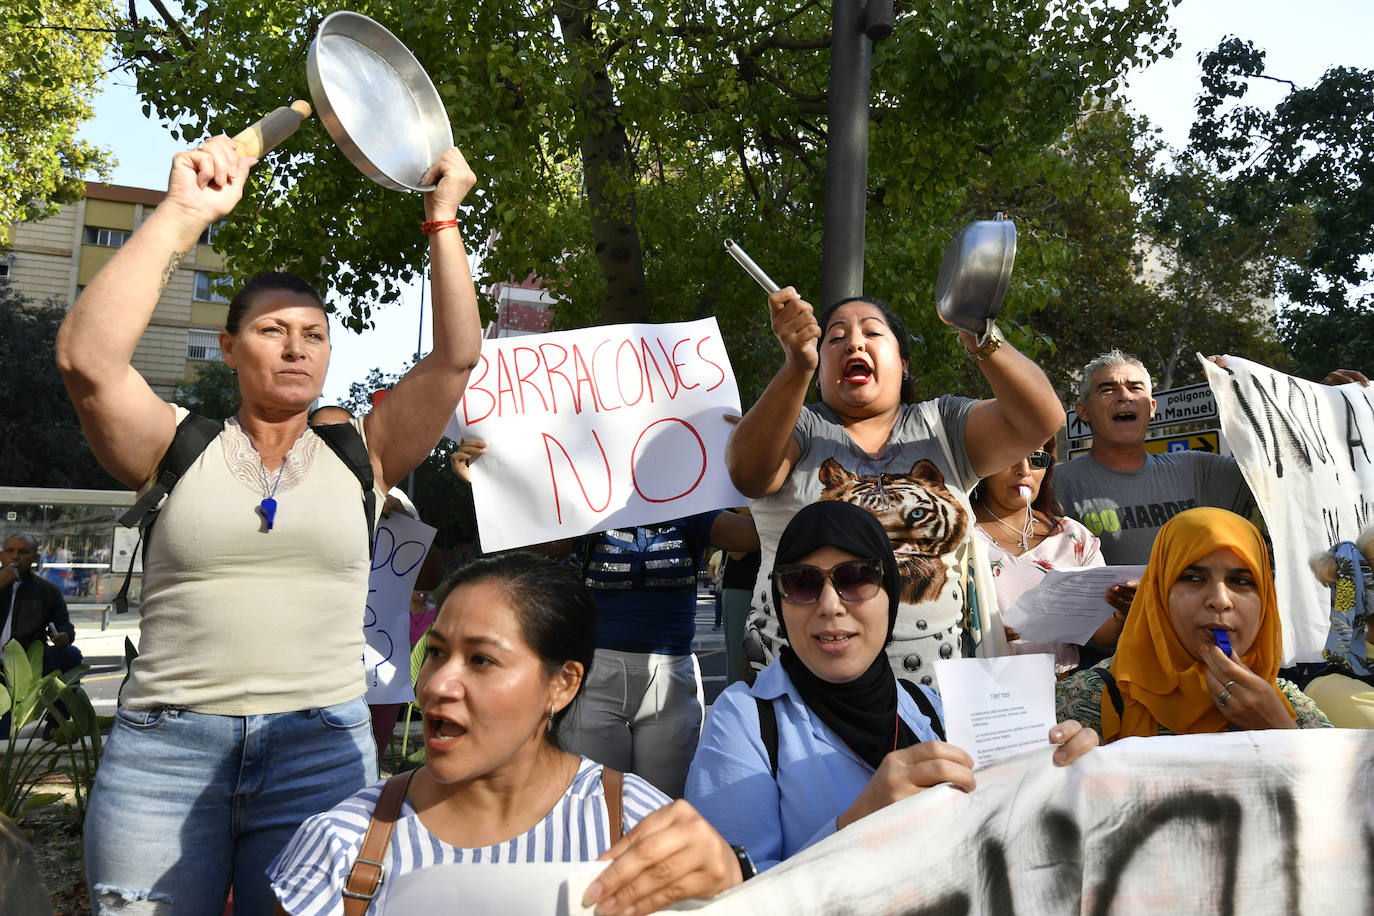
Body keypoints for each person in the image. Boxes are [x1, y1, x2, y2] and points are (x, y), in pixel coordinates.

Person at [57, 135, 482, 914]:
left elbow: (455, 358)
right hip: (164, 754)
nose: (296, 348)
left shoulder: (365, 457)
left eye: (314, 334)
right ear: (228, 346)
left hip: (320, 752)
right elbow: (87, 360)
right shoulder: (175, 444)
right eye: (271, 331)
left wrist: (442, 220)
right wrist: (182, 213)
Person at [270, 553, 747, 915]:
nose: (437, 684)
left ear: (562, 684)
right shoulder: (342, 848)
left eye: (481, 660)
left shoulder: (640, 831)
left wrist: (732, 888)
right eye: (436, 652)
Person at [685, 501, 1098, 872]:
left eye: (857, 577)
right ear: (780, 602)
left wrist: (1064, 780)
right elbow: (729, 896)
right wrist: (858, 824)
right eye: (802, 583)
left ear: (891, 597)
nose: (830, 605)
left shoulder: (936, 709)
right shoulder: (744, 721)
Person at [728, 289, 1063, 686]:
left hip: (930, 695)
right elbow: (748, 473)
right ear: (819, 370)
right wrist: (796, 366)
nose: (853, 342)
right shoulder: (797, 424)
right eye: (834, 338)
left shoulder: (944, 424)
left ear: (903, 363)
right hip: (794, 688)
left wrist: (982, 336)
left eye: (872, 333)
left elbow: (1041, 421)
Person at [451, 437, 760, 797]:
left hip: (670, 682)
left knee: (659, 814)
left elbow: (755, 536)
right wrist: (486, 486)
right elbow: (533, 538)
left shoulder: (691, 509)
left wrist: (756, 453)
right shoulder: (588, 507)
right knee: (592, 810)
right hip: (595, 675)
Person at [1056, 350, 1370, 566]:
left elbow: (1290, 470)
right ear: (1083, 412)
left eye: (1135, 387)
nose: (1124, 395)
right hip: (1108, 656)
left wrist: (1330, 407)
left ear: (1151, 407)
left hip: (1200, 647)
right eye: (1107, 389)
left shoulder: (1197, 469)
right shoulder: (1058, 484)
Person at [1055, 507, 1331, 740]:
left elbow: (1340, 797)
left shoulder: (1287, 704)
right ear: (1159, 594)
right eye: (1193, 578)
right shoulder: (1090, 700)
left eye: (1241, 581)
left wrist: (1278, 728)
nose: (1220, 600)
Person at [970, 440, 1108, 677]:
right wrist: (983, 634)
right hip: (984, 689)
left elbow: (1101, 633)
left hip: (1062, 692)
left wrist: (1121, 610)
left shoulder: (1073, 536)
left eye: (1036, 459)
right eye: (1009, 455)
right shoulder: (959, 537)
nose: (1024, 469)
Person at [0, 532, 83, 735]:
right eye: (10, 551)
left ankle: (57, 721)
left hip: (26, 664)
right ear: (2, 555)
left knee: (70, 655)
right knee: (3, 737)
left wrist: (63, 635)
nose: (15, 557)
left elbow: (64, 625)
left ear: (35, 558)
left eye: (23, 552)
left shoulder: (47, 591)